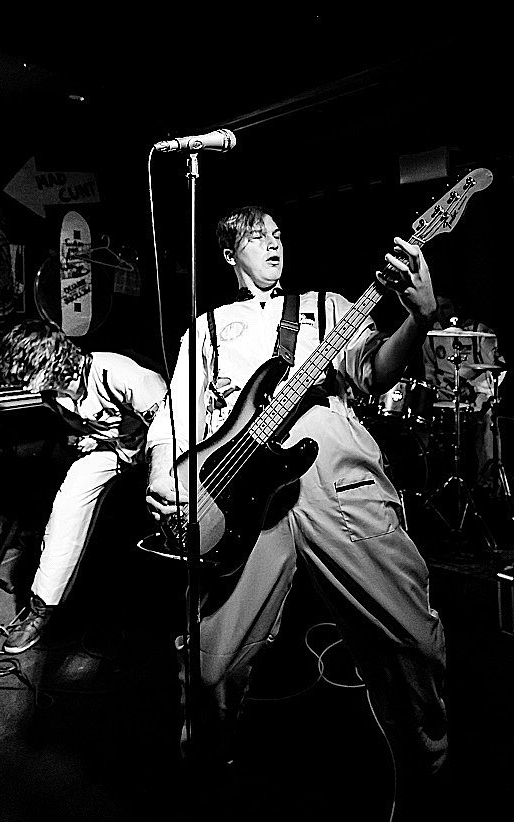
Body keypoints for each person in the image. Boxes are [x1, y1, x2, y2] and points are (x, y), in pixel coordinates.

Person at [145, 204, 448, 781]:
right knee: (210, 664)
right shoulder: (207, 329)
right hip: (244, 495)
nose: (273, 244)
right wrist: (165, 472)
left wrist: (419, 318)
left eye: (278, 235)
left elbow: (373, 372)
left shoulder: (327, 307)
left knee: (409, 635)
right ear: (230, 255)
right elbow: (175, 414)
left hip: (334, 472)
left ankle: (429, 765)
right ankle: (204, 773)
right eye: (257, 238)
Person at [0, 320, 167, 654]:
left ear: (50, 359)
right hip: (115, 449)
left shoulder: (119, 373)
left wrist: (160, 474)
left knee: (167, 512)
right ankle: (42, 608)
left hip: (161, 449)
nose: (23, 384)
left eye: (26, 373)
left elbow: (173, 429)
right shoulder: (52, 393)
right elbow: (97, 423)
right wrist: (93, 438)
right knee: (68, 503)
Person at [422, 293, 503, 487]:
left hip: (477, 400)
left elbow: (498, 370)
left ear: (457, 307)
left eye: (446, 307)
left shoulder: (479, 332)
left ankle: (487, 482)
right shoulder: (431, 336)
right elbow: (429, 372)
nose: (442, 313)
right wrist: (434, 390)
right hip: (444, 400)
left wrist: (473, 387)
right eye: (438, 308)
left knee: (488, 422)